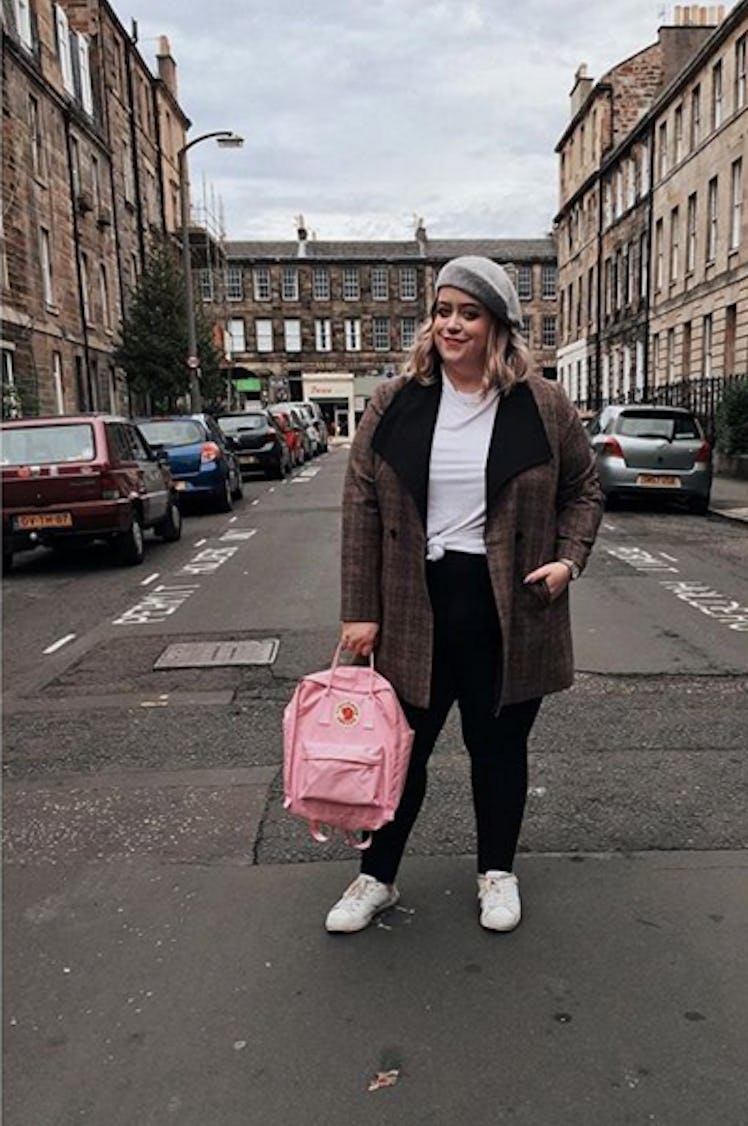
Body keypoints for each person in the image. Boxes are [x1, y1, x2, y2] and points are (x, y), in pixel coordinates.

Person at [325, 255, 603, 935]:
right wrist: (360, 610)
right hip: (413, 603)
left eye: (468, 313)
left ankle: (497, 872)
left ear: (497, 324)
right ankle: (376, 878)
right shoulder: (397, 400)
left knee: (499, 749)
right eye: (443, 310)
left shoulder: (541, 404)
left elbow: (585, 491)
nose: (451, 324)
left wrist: (569, 561)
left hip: (510, 603)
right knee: (400, 753)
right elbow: (360, 503)